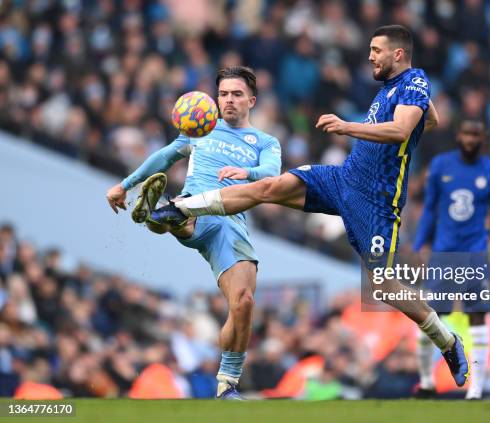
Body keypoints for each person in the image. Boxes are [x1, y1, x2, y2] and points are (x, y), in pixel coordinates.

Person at [151, 25, 470, 388]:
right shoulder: (397, 88)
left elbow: (400, 130)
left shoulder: (414, 81)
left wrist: (347, 127)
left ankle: (447, 341)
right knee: (269, 186)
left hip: (376, 202)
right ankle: (185, 208)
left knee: (382, 286)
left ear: (398, 54)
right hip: (342, 179)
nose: (370, 56)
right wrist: (414, 120)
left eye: (376, 50)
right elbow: (431, 119)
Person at [105, 66, 282, 399]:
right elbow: (164, 156)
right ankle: (169, 213)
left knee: (243, 303)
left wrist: (247, 170)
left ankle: (227, 384)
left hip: (231, 224)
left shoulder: (265, 142)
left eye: (237, 94)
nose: (229, 100)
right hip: (196, 207)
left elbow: (271, 174)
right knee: (186, 211)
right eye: (224, 94)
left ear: (252, 100)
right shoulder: (202, 129)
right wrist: (124, 185)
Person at [412, 118, 490, 399]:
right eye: (467, 133)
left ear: (484, 137)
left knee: (477, 316)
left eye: (476, 134)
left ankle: (475, 390)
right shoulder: (441, 166)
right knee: (428, 315)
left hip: (475, 253)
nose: (470, 139)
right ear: (458, 136)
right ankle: (426, 381)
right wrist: (420, 244)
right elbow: (429, 209)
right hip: (443, 252)